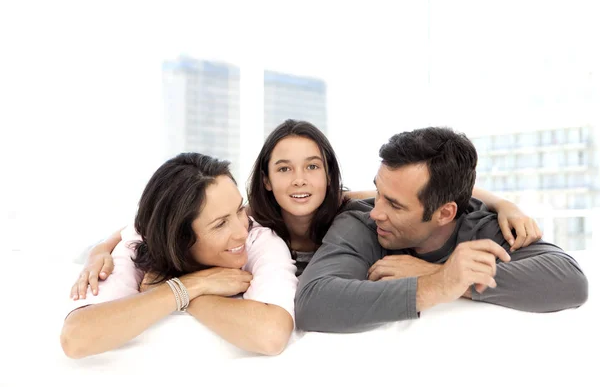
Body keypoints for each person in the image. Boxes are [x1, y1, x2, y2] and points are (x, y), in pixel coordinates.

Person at [73, 120, 542, 293]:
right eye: (284, 169)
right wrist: (102, 249)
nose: (300, 180)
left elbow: (442, 201)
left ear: (329, 173)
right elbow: (150, 225)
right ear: (266, 181)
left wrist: (502, 202)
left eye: (312, 166)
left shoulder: (351, 209)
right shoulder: (247, 223)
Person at [294, 126, 589, 333]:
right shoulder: (361, 221)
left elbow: (570, 281)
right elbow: (314, 303)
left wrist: (438, 275)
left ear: (445, 213)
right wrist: (436, 287)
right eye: (378, 192)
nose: (377, 211)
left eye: (395, 205)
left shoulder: (484, 226)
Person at [61, 153, 297, 358]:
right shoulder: (140, 245)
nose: (240, 231)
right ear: (179, 237)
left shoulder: (260, 239)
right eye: (220, 224)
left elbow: (272, 335)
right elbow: (76, 339)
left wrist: (179, 292)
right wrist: (191, 285)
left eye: (238, 210)